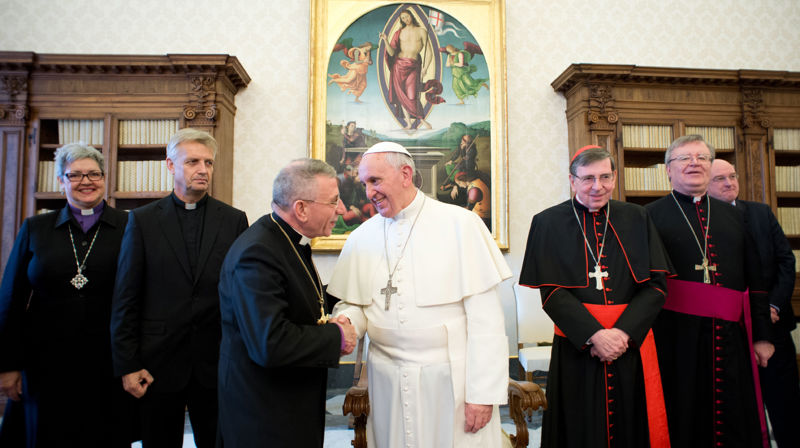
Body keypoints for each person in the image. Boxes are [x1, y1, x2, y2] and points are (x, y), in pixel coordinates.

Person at [327, 141, 511, 447]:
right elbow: (355, 303)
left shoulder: (461, 225)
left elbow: (486, 319)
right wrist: (346, 322)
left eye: (375, 180)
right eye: (364, 183)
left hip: (451, 381)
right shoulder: (361, 237)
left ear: (405, 173)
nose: (368, 192)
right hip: (386, 379)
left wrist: (482, 395)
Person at [519, 145, 672, 448]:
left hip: (630, 343)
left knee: (634, 423)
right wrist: (594, 336)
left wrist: (622, 334)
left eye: (605, 177)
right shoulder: (548, 222)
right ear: (572, 180)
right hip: (579, 345)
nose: (597, 186)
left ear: (615, 178)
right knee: (579, 427)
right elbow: (551, 292)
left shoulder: (637, 218)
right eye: (588, 178)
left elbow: (656, 286)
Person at [110, 128, 248, 448]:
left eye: (209, 163)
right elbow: (126, 297)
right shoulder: (142, 221)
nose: (203, 169)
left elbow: (242, 296)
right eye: (193, 162)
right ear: (171, 166)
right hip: (157, 365)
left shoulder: (233, 220)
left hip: (215, 363)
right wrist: (128, 365)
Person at [216, 158, 357, 447]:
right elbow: (270, 342)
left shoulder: (287, 240)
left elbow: (300, 301)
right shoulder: (258, 253)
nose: (340, 210)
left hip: (286, 407)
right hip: (264, 416)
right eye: (333, 202)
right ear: (301, 208)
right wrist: (336, 336)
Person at [645, 135, 774, 448]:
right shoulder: (648, 216)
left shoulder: (735, 216)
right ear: (668, 170)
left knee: (734, 413)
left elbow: (755, 281)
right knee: (683, 411)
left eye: (702, 158)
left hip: (732, 337)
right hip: (674, 337)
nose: (694, 164)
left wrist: (762, 335)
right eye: (685, 158)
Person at [0, 143, 132, 447]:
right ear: (60, 180)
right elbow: (11, 297)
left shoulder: (129, 226)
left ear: (104, 178)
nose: (86, 181)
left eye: (94, 174)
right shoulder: (36, 227)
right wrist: (8, 366)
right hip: (45, 362)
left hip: (107, 361)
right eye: (75, 175)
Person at [708, 159, 800, 448]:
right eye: (720, 179)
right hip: (727, 328)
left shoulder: (759, 213)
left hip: (773, 326)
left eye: (732, 176)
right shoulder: (702, 220)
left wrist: (772, 307)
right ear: (705, 185)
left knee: (785, 401)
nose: (729, 183)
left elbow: (786, 261)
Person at [379, 9, 434, 129]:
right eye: (403, 18)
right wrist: (385, 40)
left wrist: (425, 68)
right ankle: (409, 123)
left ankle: (422, 121)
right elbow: (392, 53)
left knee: (412, 94)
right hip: (398, 66)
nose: (405, 19)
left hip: (413, 66)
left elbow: (429, 53)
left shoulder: (421, 31)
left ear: (412, 16)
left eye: (407, 16)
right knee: (401, 95)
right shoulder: (399, 32)